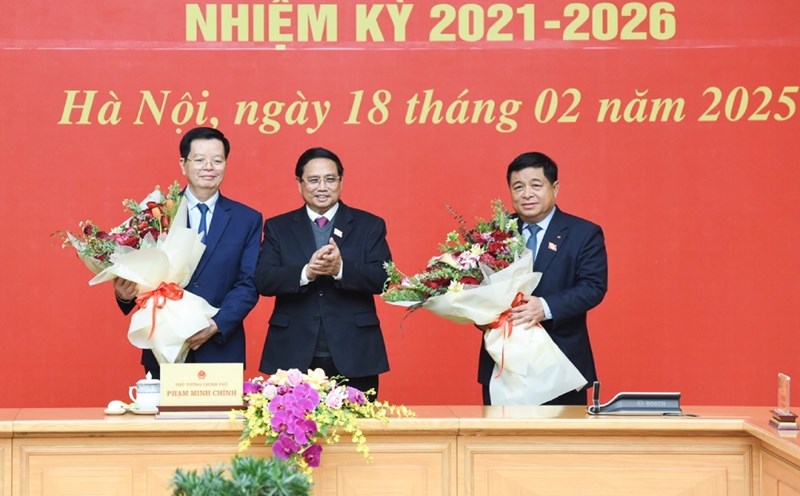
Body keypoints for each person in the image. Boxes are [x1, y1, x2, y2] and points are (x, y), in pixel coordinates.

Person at [114, 127, 263, 378]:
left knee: (219, 419)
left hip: (220, 347)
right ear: (183, 164)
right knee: (166, 417)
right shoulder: (156, 213)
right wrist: (124, 293)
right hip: (164, 344)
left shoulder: (246, 219)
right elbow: (138, 271)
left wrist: (216, 324)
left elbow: (248, 283)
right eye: (200, 159)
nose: (209, 167)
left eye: (217, 160)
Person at [255, 147, 391, 396]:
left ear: (341, 181)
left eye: (330, 179)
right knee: (293, 431)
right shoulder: (278, 227)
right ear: (299, 183)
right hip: (293, 351)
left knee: (358, 432)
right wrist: (307, 272)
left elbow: (383, 278)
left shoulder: (369, 225)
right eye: (314, 180)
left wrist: (341, 269)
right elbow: (264, 280)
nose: (322, 187)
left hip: (355, 352)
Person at [478, 151, 608, 405]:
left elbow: (593, 287)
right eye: (518, 187)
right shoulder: (494, 234)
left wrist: (544, 307)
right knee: (500, 444)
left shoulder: (584, 233)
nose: (527, 194)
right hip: (503, 364)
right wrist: (482, 314)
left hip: (560, 365)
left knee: (560, 444)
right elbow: (477, 288)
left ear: (555, 187)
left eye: (536, 185)